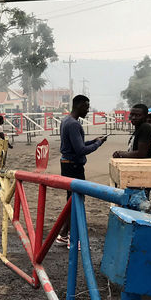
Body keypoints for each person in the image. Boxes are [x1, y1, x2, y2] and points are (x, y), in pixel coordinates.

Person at [55, 95, 107, 246]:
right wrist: (97, 145)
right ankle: (74, 238)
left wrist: (95, 140)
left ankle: (64, 234)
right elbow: (80, 150)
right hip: (74, 166)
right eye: (86, 107)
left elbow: (76, 145)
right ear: (78, 105)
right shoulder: (73, 124)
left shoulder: (67, 120)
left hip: (67, 164)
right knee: (77, 201)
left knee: (72, 201)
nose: (88, 110)